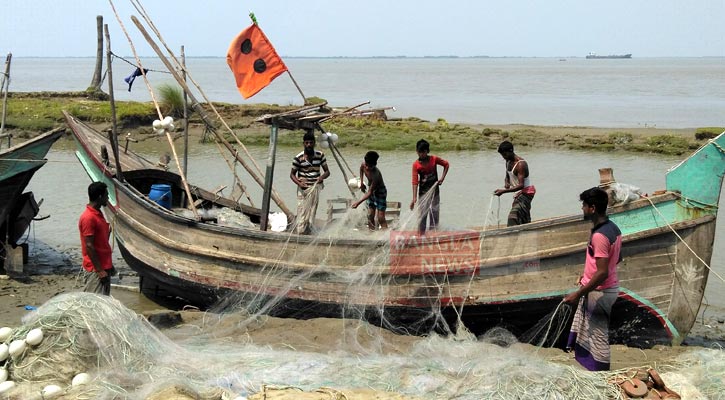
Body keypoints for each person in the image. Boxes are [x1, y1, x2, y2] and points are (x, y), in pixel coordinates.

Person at [563, 187, 622, 371]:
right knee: (587, 335)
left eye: (584, 205)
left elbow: (602, 272)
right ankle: (592, 371)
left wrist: (578, 293)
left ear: (593, 208)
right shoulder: (613, 228)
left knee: (597, 338)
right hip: (603, 287)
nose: (582, 208)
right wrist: (589, 275)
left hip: (600, 292)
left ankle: (602, 376)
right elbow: (617, 258)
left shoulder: (599, 236)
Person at [78, 181, 116, 295]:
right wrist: (99, 270)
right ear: (100, 196)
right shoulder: (88, 217)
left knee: (104, 302)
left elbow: (101, 242)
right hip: (95, 269)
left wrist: (109, 265)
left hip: (104, 265)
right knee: (93, 302)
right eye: (106, 195)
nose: (107, 198)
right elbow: (89, 245)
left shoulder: (98, 214)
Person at [290, 130, 330, 234]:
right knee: (302, 212)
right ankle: (300, 232)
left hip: (315, 188)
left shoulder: (320, 155)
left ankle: (308, 232)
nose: (309, 145)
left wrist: (322, 177)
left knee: (312, 212)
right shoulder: (298, 158)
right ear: (303, 143)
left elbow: (327, 172)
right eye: (307, 143)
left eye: (311, 142)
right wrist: (299, 184)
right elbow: (292, 175)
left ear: (314, 143)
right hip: (303, 190)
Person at [410, 139, 449, 234]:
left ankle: (433, 234)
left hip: (435, 192)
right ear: (416, 151)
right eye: (419, 152)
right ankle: (421, 235)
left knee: (434, 214)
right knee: (422, 216)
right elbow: (415, 182)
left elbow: (446, 164)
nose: (421, 155)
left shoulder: (434, 159)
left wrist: (442, 178)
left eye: (423, 152)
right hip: (423, 193)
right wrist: (414, 198)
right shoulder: (416, 165)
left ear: (427, 151)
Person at [494, 140, 536, 226]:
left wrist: (503, 191)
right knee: (521, 216)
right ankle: (525, 231)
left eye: (505, 154)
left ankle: (512, 236)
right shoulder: (508, 161)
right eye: (502, 155)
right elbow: (507, 175)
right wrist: (507, 182)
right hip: (518, 194)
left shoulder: (521, 164)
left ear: (511, 151)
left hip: (526, 193)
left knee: (513, 216)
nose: (504, 157)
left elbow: (521, 185)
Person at [352, 151, 388, 230]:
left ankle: (385, 235)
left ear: (375, 165)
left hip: (380, 192)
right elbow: (361, 170)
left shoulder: (376, 174)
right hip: (370, 189)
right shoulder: (363, 165)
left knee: (380, 218)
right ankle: (371, 233)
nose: (367, 168)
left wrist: (358, 203)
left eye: (370, 166)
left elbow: (370, 192)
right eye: (367, 165)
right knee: (370, 215)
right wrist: (361, 183)